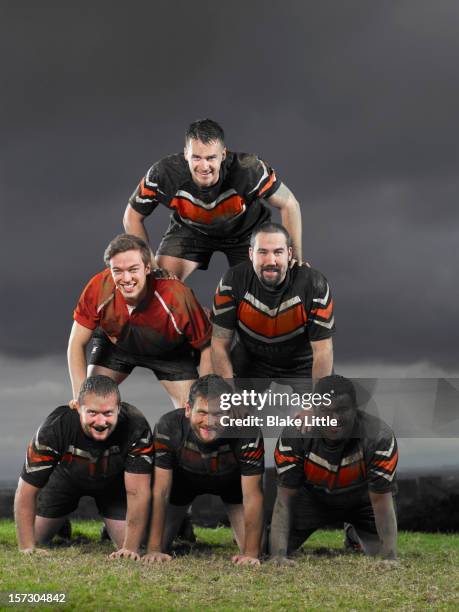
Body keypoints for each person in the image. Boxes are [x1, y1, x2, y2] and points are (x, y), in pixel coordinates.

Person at [123, 118, 303, 280]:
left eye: (211, 158)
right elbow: (131, 217)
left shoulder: (249, 170)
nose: (204, 166)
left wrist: (294, 259)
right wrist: (151, 266)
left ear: (223, 155)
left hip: (244, 233)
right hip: (191, 230)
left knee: (265, 289)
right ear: (186, 154)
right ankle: (195, 316)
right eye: (196, 158)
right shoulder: (164, 174)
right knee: (160, 286)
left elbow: (289, 204)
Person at [14, 376, 153, 559]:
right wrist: (26, 547)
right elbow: (25, 491)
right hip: (65, 479)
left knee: (135, 541)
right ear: (77, 407)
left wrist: (130, 549)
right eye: (93, 413)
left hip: (113, 484)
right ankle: (60, 521)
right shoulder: (55, 427)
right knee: (37, 538)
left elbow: (138, 492)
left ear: (119, 408)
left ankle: (110, 527)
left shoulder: (136, 426)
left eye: (108, 413)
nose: (101, 422)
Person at [68, 234, 212, 409]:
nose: (126, 278)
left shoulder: (177, 296)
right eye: (118, 271)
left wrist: (206, 396)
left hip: (170, 353)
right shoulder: (99, 287)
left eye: (133, 269)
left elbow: (206, 346)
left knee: (195, 414)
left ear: (147, 268)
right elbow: (76, 342)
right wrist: (80, 398)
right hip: (117, 346)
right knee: (91, 404)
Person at [270, 375, 398, 562]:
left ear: (355, 409)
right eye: (325, 411)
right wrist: (277, 555)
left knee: (379, 553)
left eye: (342, 410)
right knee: (266, 548)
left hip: (362, 502)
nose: (334, 418)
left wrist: (389, 558)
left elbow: (381, 501)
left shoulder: (379, 437)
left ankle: (354, 533)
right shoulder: (295, 435)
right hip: (312, 500)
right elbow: (284, 499)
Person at [143, 375, 264, 566]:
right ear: (188, 410)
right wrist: (153, 549)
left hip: (232, 486)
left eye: (218, 414)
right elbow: (161, 491)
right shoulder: (168, 426)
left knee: (259, 548)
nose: (209, 422)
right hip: (182, 485)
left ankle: (242, 535)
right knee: (152, 544)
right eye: (202, 412)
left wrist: (250, 553)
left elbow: (253, 495)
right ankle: (182, 526)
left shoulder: (247, 430)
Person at [211, 222, 334, 392]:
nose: (271, 261)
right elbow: (219, 345)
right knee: (223, 414)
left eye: (278, 252)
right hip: (251, 362)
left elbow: (323, 350)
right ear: (250, 254)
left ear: (289, 254)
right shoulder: (232, 281)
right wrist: (230, 398)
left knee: (327, 414)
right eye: (262, 252)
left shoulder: (314, 284)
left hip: (303, 364)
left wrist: (316, 403)